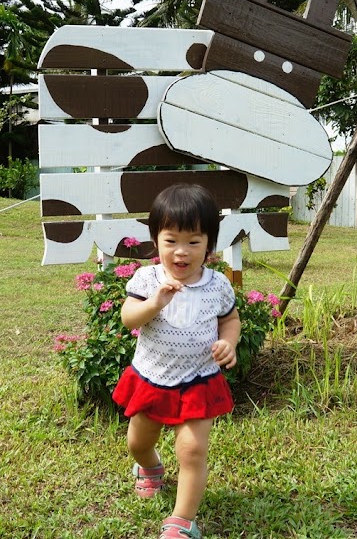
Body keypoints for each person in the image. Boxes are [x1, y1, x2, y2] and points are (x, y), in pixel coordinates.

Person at [113, 183, 241, 539]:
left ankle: (182, 521)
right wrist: (153, 303)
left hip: (198, 379)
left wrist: (228, 343)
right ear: (156, 241)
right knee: (138, 442)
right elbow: (129, 318)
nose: (181, 252)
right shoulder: (147, 278)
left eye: (193, 242)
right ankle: (150, 467)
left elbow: (230, 320)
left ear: (209, 245)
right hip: (152, 377)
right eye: (171, 241)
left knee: (192, 449)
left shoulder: (217, 285)